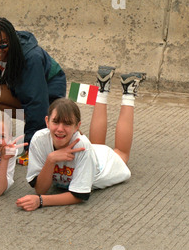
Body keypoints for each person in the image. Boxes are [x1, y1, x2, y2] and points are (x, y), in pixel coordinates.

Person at [16, 69, 144, 210]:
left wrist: (41, 201)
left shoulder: (84, 146)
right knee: (94, 145)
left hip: (106, 161)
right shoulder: (39, 138)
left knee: (121, 153)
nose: (59, 128)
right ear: (47, 122)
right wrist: (51, 159)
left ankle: (128, 93)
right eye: (55, 122)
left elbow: (78, 196)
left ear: (77, 126)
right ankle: (102, 89)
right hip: (91, 150)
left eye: (67, 123)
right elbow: (40, 189)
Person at [0, 17, 66, 151]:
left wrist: (31, 146)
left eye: (3, 44)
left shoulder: (31, 58)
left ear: (12, 41)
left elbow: (36, 103)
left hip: (48, 96)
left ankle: (63, 125)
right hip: (20, 90)